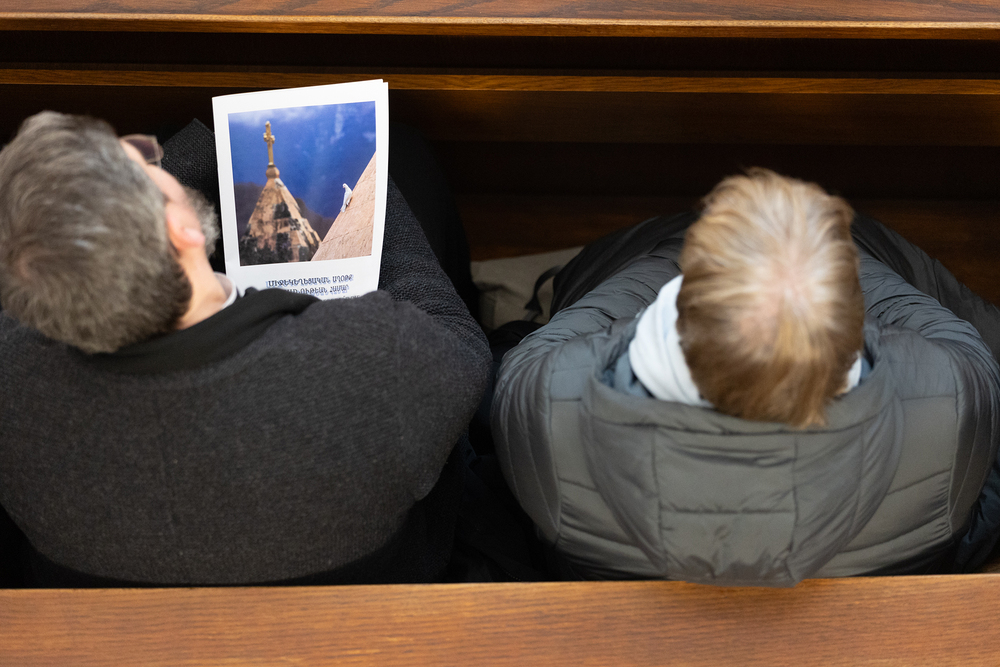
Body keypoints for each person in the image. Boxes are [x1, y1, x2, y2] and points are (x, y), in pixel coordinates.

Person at [0, 111, 491, 586]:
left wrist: (196, 151)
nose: (154, 157)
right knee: (405, 150)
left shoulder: (13, 380)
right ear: (183, 230)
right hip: (375, 608)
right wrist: (368, 192)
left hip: (109, 617)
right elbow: (459, 338)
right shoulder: (374, 358)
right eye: (145, 162)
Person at [491, 168, 1000, 586]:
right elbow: (951, 334)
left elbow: (559, 336)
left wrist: (680, 257)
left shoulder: (548, 398)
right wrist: (834, 267)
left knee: (641, 244)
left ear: (685, 298)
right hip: (886, 562)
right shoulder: (949, 397)